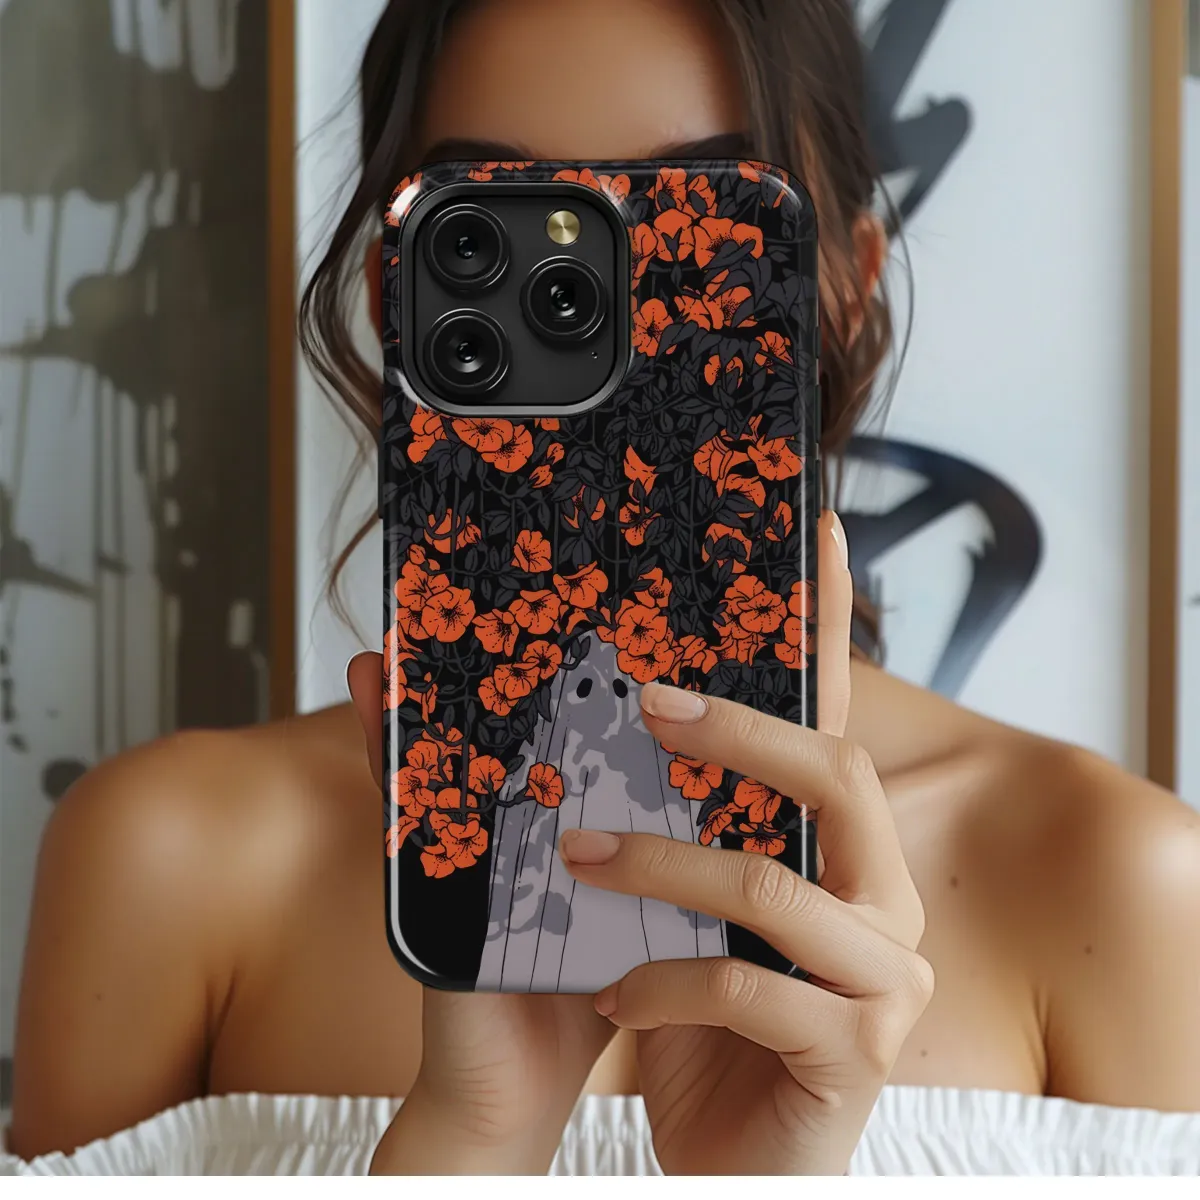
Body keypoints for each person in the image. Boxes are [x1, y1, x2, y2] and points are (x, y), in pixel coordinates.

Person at [7, 0, 1200, 1177]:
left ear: (845, 289)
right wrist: (476, 1140)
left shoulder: (1116, 884)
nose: (608, 307)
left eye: (700, 224)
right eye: (495, 227)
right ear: (394, 296)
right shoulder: (171, 862)